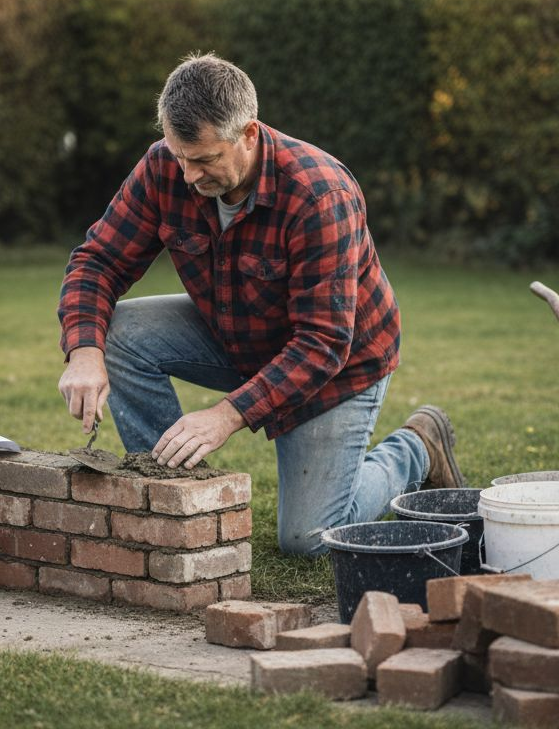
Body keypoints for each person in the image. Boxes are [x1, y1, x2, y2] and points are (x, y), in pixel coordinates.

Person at [57, 53, 463, 555]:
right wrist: (84, 353)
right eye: (181, 156)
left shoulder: (318, 195)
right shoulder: (165, 165)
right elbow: (98, 261)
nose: (188, 175)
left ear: (249, 134)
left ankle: (417, 447)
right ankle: (173, 495)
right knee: (116, 333)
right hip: (235, 332)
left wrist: (225, 416)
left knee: (310, 540)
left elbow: (322, 343)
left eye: (205, 160)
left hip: (336, 366)